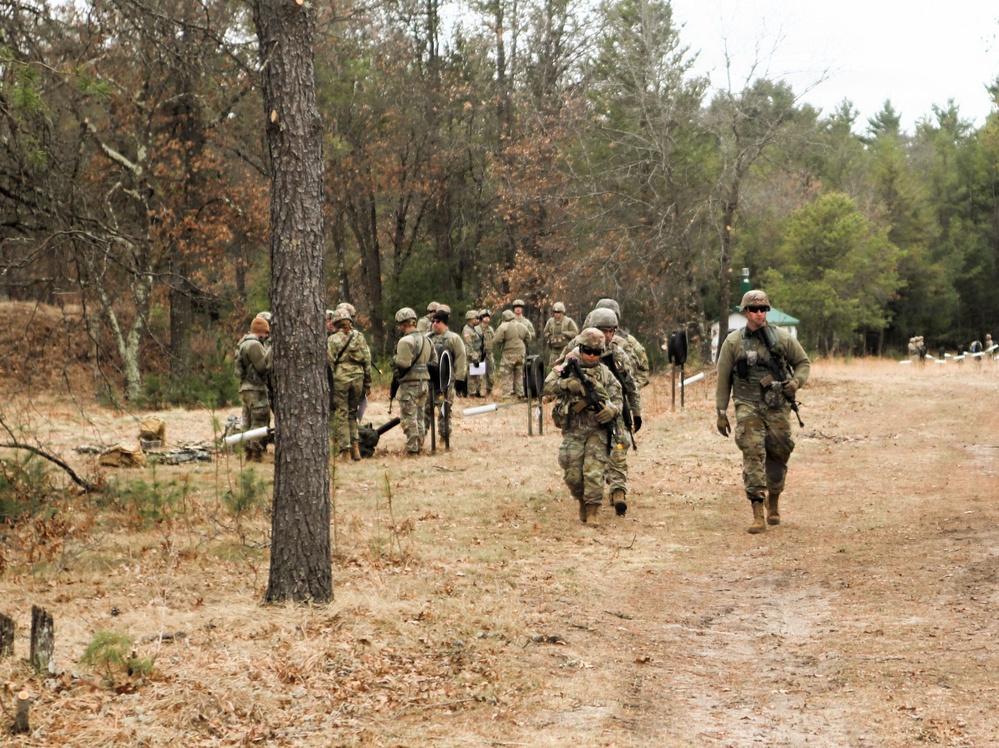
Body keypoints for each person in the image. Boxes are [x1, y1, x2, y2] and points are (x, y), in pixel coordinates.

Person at [716, 290, 810, 534]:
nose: (759, 313)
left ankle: (774, 499)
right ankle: (757, 511)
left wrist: (796, 382)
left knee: (779, 453)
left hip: (777, 405)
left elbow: (803, 363)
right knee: (753, 453)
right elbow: (723, 379)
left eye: (763, 309)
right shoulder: (733, 342)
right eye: (754, 309)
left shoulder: (782, 338)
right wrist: (721, 412)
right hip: (747, 404)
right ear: (745, 312)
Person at [544, 328, 623, 525]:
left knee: (594, 472)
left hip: (597, 429)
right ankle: (581, 500)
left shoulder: (605, 374)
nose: (592, 356)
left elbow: (618, 398)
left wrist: (612, 411)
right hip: (574, 430)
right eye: (588, 351)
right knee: (573, 476)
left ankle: (593, 510)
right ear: (580, 348)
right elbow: (547, 385)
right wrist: (566, 384)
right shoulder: (567, 367)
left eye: (596, 352)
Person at [327, 308, 373, 461]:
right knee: (353, 413)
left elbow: (329, 363)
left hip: (341, 379)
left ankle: (345, 450)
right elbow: (367, 361)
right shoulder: (359, 337)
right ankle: (356, 449)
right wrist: (368, 384)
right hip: (358, 378)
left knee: (341, 414)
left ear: (336, 322)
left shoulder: (332, 340)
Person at [392, 307, 438, 455]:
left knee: (409, 416)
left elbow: (404, 364)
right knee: (419, 415)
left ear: (402, 324)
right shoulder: (427, 340)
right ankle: (420, 444)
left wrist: (395, 359)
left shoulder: (405, 341)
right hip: (424, 384)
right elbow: (435, 361)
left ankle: (412, 449)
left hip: (409, 384)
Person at [424, 306, 467, 445]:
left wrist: (460, 379)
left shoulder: (453, 339)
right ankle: (420, 438)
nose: (435, 324)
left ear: (444, 323)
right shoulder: (427, 338)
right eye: (433, 321)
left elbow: (461, 358)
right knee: (425, 410)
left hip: (445, 384)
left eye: (438, 321)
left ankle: (444, 438)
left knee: (444, 410)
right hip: (428, 382)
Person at [235, 316, 273, 461]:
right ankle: (256, 453)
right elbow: (262, 367)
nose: (267, 336)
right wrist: (271, 351)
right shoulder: (255, 345)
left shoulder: (243, 342)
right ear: (260, 331)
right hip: (256, 389)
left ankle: (247, 452)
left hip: (245, 388)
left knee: (247, 422)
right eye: (266, 332)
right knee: (260, 420)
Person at [494, 309, 531, 398]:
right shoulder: (522, 325)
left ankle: (506, 394)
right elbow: (529, 338)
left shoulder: (503, 327)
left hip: (509, 353)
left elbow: (497, 340)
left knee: (506, 373)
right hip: (520, 353)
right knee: (519, 374)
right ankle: (520, 393)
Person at [543, 302, 579, 368]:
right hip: (554, 350)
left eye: (558, 312)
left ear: (562, 312)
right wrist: (549, 336)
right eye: (555, 312)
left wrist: (565, 333)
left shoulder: (568, 321)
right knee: (553, 367)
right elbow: (545, 332)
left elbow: (575, 333)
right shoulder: (550, 321)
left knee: (566, 367)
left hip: (565, 349)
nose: (556, 314)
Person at [462, 310, 485, 397]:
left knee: (478, 375)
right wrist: (474, 358)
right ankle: (472, 394)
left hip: (477, 354)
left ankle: (477, 392)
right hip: (471, 356)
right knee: (472, 376)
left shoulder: (473, 329)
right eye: (476, 318)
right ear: (471, 319)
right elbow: (468, 345)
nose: (478, 320)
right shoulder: (467, 331)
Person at [480, 309, 496, 396]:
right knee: (478, 374)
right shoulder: (477, 329)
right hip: (479, 354)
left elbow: (494, 339)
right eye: (485, 317)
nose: (486, 318)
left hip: (489, 354)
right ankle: (477, 391)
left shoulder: (490, 329)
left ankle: (489, 391)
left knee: (491, 374)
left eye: (488, 317)